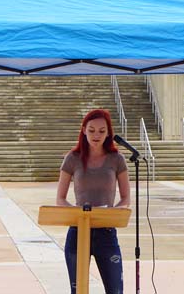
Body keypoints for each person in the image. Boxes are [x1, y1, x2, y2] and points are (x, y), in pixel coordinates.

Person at [56, 109, 131, 294]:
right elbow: (60, 199)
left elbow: (126, 198)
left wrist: (113, 213)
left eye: (101, 131)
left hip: (106, 232)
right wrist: (76, 212)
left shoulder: (117, 159)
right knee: (78, 290)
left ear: (108, 133)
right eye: (91, 130)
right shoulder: (72, 158)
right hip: (78, 232)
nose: (96, 135)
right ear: (83, 130)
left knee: (115, 290)